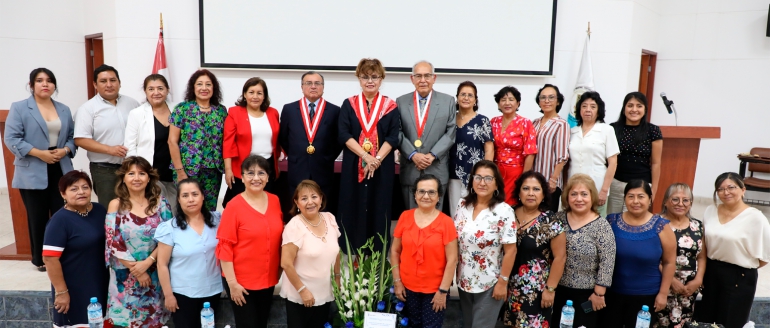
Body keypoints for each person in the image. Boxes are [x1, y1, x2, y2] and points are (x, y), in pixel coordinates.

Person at [5, 67, 76, 271]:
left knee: (63, 214)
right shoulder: (19, 107)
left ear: (54, 85)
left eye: (49, 80)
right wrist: (39, 153)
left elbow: (72, 137)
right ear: (31, 85)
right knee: (38, 217)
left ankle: (63, 255)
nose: (45, 84)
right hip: (32, 168)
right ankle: (41, 259)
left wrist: (65, 150)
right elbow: (12, 138)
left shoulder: (64, 109)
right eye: (39, 80)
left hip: (60, 167)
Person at [337, 58, 400, 250]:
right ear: (359, 78)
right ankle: (352, 253)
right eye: (365, 77)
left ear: (381, 79)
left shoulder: (390, 106)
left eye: (374, 76)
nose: (370, 81)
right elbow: (343, 134)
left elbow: (393, 137)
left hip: (382, 166)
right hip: (353, 164)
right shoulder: (349, 104)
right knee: (353, 204)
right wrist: (366, 157)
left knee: (379, 206)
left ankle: (377, 254)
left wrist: (376, 159)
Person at [216, 155, 284, 328]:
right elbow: (224, 247)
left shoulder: (275, 200)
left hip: (267, 279)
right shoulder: (233, 206)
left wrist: (280, 270)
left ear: (268, 177)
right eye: (250, 173)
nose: (256, 178)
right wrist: (232, 284)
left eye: (261, 173)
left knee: (261, 323)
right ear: (242, 177)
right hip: (241, 282)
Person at [104, 156, 172, 327]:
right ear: (123, 178)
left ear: (149, 178)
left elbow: (169, 238)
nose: (136, 178)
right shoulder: (115, 205)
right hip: (125, 276)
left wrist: (148, 262)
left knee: (153, 320)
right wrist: (138, 271)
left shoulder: (161, 203)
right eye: (131, 173)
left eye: (141, 173)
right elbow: (113, 241)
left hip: (155, 274)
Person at [696, 172, 770, 328]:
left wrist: (739, 269)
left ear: (743, 189)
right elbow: (704, 243)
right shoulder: (710, 210)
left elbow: (764, 257)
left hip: (740, 277)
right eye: (721, 189)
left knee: (730, 321)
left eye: (731, 187)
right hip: (712, 271)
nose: (726, 192)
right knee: (706, 319)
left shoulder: (756, 218)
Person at [601, 179, 676, 327]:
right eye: (631, 196)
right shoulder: (611, 221)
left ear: (650, 199)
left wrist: (663, 294)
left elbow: (669, 262)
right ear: (624, 199)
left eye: (641, 196)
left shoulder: (661, 226)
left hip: (646, 296)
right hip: (611, 294)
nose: (635, 201)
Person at [454, 160, 515, 328]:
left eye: (488, 178)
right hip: (463, 280)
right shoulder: (462, 205)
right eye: (478, 177)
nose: (482, 182)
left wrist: (503, 282)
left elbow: (511, 251)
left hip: (490, 282)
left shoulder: (504, 211)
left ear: (496, 184)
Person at [43, 170, 109, 327]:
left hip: (100, 281)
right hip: (73, 287)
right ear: (63, 194)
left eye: (85, 187)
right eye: (74, 189)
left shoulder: (100, 210)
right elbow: (50, 259)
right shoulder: (59, 221)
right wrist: (61, 292)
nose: (81, 192)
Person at [154, 178, 223, 328]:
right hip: (183, 294)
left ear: (203, 196)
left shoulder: (217, 220)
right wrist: (168, 295)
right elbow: (162, 264)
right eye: (185, 195)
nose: (191, 199)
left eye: (195, 194)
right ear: (178, 200)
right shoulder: (169, 228)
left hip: (213, 290)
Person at [392, 174, 458, 328]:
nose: (426, 196)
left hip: (435, 291)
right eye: (421, 191)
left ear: (439, 196)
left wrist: (443, 291)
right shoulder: (405, 217)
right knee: (411, 325)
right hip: (407, 288)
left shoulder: (446, 222)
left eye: (431, 192)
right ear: (415, 195)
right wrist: (397, 282)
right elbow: (395, 251)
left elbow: (452, 259)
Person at [551, 174, 616, 328]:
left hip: (588, 295)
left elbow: (607, 262)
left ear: (592, 197)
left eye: (584, 194)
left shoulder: (602, 226)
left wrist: (599, 293)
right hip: (557, 290)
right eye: (574, 194)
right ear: (567, 197)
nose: (579, 199)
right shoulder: (558, 219)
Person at [505, 171, 567, 327]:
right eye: (526, 188)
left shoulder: (550, 221)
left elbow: (560, 258)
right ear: (518, 192)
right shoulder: (508, 214)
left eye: (536, 189)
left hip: (535, 291)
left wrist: (550, 289)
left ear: (544, 194)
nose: (531, 193)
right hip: (506, 286)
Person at [74, 64, 140, 207]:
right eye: (103, 81)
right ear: (95, 85)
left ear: (119, 82)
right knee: (110, 209)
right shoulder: (87, 109)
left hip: (134, 167)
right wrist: (110, 149)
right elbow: (80, 139)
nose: (109, 85)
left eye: (113, 80)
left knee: (136, 208)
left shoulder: (132, 103)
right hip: (105, 170)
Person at [280, 180, 342, 328]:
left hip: (325, 292)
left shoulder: (329, 218)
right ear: (297, 203)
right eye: (304, 198)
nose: (310, 202)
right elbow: (286, 264)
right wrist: (302, 291)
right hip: (301, 295)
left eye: (314, 196)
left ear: (321, 199)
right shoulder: (294, 226)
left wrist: (337, 278)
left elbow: (336, 252)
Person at [279, 71, 342, 213]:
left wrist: (327, 157)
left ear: (323, 87)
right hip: (297, 167)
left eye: (317, 83)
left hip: (323, 168)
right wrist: (296, 153)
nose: (313, 86)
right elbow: (283, 137)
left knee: (323, 209)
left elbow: (338, 140)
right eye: (308, 83)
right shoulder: (289, 109)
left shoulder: (334, 110)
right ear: (302, 87)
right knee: (297, 209)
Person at [397, 60, 456, 210]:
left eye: (427, 76)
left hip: (436, 167)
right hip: (411, 168)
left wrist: (432, 155)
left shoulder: (448, 101)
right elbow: (397, 132)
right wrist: (413, 154)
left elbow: (450, 133)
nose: (423, 80)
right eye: (418, 76)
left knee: (434, 218)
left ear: (434, 78)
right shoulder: (401, 102)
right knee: (411, 217)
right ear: (412, 79)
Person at [169, 69, 227, 210]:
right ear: (193, 87)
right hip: (187, 169)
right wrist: (180, 171)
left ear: (214, 87)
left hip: (213, 171)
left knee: (209, 210)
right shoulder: (182, 109)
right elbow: (172, 141)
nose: (204, 88)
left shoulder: (221, 111)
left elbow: (225, 141)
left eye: (208, 84)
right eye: (199, 84)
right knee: (188, 208)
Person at [223, 77, 281, 207]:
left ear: (264, 96)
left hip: (268, 165)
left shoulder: (273, 113)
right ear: (244, 94)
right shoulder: (234, 112)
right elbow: (228, 143)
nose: (255, 96)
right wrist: (228, 169)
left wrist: (277, 163)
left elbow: (277, 140)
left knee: (265, 202)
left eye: (259, 93)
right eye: (251, 92)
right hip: (243, 165)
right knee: (241, 204)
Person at [124, 74, 178, 213]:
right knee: (156, 213)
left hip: (176, 172)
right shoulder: (137, 114)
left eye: (160, 88)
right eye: (151, 89)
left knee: (176, 213)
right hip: (151, 173)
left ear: (167, 90)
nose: (156, 92)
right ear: (145, 91)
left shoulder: (178, 110)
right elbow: (130, 147)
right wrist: (137, 173)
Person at [655, 183, 705, 327]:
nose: (680, 204)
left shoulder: (697, 225)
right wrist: (671, 281)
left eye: (686, 200)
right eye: (675, 199)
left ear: (691, 203)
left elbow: (701, 256)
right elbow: (652, 257)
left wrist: (698, 280)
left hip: (688, 290)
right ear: (665, 201)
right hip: (662, 285)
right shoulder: (656, 223)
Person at [607, 92, 662, 213]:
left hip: (641, 185)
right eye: (630, 105)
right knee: (612, 219)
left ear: (645, 109)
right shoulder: (612, 128)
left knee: (633, 220)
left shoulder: (653, 130)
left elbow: (656, 163)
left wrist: (654, 190)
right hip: (615, 183)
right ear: (624, 109)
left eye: (639, 106)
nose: (634, 109)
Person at [568, 91, 619, 218]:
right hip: (574, 188)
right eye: (584, 106)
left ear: (598, 110)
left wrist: (604, 190)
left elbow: (613, 163)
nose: (588, 110)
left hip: (597, 186)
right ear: (579, 109)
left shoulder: (606, 130)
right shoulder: (572, 131)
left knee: (596, 222)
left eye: (593, 106)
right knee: (573, 221)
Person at [448, 81, 493, 218]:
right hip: (452, 174)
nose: (466, 98)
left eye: (470, 95)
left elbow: (489, 148)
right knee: (455, 213)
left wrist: (486, 173)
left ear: (475, 100)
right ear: (457, 98)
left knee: (474, 212)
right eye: (463, 94)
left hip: (475, 175)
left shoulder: (482, 121)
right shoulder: (449, 119)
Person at [491, 86, 537, 206]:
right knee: (494, 204)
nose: (507, 103)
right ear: (498, 104)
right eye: (503, 100)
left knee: (510, 204)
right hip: (496, 171)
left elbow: (530, 152)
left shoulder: (525, 123)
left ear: (518, 103)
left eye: (511, 99)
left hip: (515, 172)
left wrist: (524, 178)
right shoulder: (493, 122)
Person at [532, 84, 570, 213]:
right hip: (533, 181)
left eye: (551, 97)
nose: (546, 101)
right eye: (543, 97)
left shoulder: (562, 124)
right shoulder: (534, 122)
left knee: (546, 219)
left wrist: (553, 180)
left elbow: (562, 156)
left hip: (549, 182)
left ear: (558, 101)